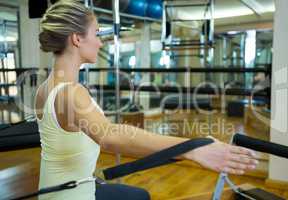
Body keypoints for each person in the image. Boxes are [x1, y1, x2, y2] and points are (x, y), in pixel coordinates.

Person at [35, 0, 258, 199]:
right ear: (77, 39)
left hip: (60, 187)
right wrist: (192, 147)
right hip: (73, 195)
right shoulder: (69, 93)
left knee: (139, 195)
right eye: (96, 34)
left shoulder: (46, 87)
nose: (101, 42)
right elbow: (111, 136)